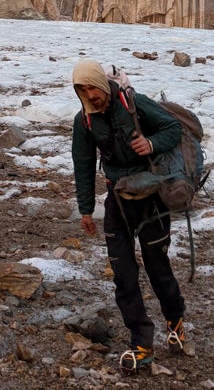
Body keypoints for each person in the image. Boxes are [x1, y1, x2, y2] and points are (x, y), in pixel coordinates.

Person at [71, 59, 187, 374]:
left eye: (91, 87)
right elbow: (83, 164)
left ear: (99, 81)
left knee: (157, 267)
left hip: (151, 200)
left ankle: (175, 319)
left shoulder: (134, 104)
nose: (89, 95)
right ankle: (142, 343)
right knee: (123, 274)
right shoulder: (84, 121)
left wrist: (150, 143)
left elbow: (172, 128)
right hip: (117, 201)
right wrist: (85, 209)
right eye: (81, 91)